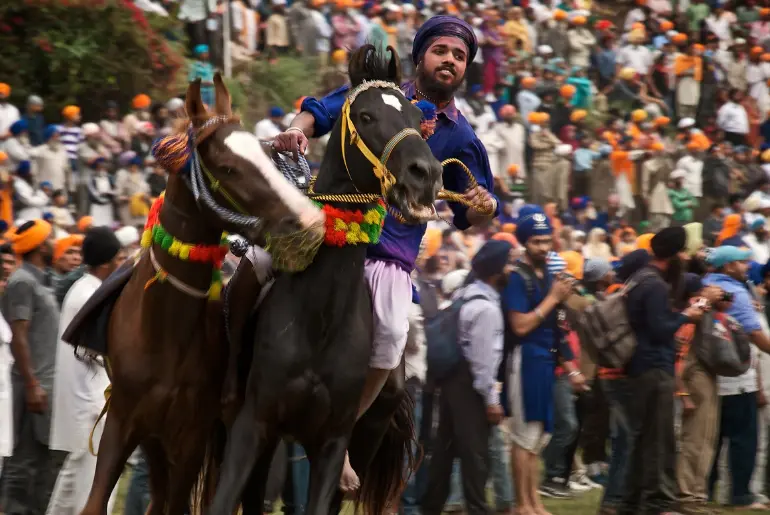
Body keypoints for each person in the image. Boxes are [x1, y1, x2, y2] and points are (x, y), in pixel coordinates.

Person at [272, 14, 498, 492]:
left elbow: (473, 210)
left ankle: (340, 434)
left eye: (459, 57)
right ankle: (224, 383)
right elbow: (320, 110)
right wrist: (296, 129)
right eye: (441, 51)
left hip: (389, 256)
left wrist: (483, 206)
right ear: (420, 56)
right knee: (251, 266)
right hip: (324, 233)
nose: (450, 61)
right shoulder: (379, 93)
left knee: (394, 333)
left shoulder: (463, 137)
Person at [621, 226, 719, 515]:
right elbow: (661, 327)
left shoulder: (641, 278)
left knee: (643, 439)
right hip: (653, 368)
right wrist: (687, 315)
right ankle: (657, 503)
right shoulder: (654, 285)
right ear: (676, 254)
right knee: (659, 440)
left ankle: (633, 502)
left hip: (641, 367)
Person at [504, 205, 584, 515]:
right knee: (523, 438)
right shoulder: (517, 278)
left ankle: (534, 501)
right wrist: (553, 298)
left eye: (547, 241)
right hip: (525, 360)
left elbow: (558, 328)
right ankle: (521, 504)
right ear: (525, 242)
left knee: (537, 439)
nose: (543, 247)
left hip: (546, 361)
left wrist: (570, 366)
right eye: (537, 241)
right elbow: (520, 325)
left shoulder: (550, 275)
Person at [421, 240, 511, 515]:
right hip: (469, 386)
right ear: (496, 272)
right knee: (475, 456)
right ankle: (477, 508)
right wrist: (492, 400)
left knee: (445, 453)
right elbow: (483, 361)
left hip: (451, 383)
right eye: (508, 263)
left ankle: (430, 508)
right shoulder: (486, 308)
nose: (512, 268)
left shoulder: (464, 294)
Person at [47, 227, 124, 515]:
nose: (123, 262)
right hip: (90, 403)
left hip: (87, 400)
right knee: (92, 489)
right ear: (107, 263)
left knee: (72, 483)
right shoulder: (89, 295)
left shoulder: (88, 289)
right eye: (119, 258)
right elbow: (102, 352)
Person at [1, 219, 64, 515]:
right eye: (51, 239)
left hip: (46, 384)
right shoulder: (22, 282)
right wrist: (31, 385)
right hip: (33, 386)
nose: (55, 243)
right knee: (23, 462)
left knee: (41, 459)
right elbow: (19, 336)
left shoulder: (41, 278)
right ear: (40, 246)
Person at [704, 246, 770, 509]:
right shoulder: (736, 294)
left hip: (711, 376)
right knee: (743, 438)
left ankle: (705, 492)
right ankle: (740, 495)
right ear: (729, 266)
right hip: (736, 377)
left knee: (712, 439)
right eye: (743, 263)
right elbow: (754, 334)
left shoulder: (704, 284)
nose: (746, 267)